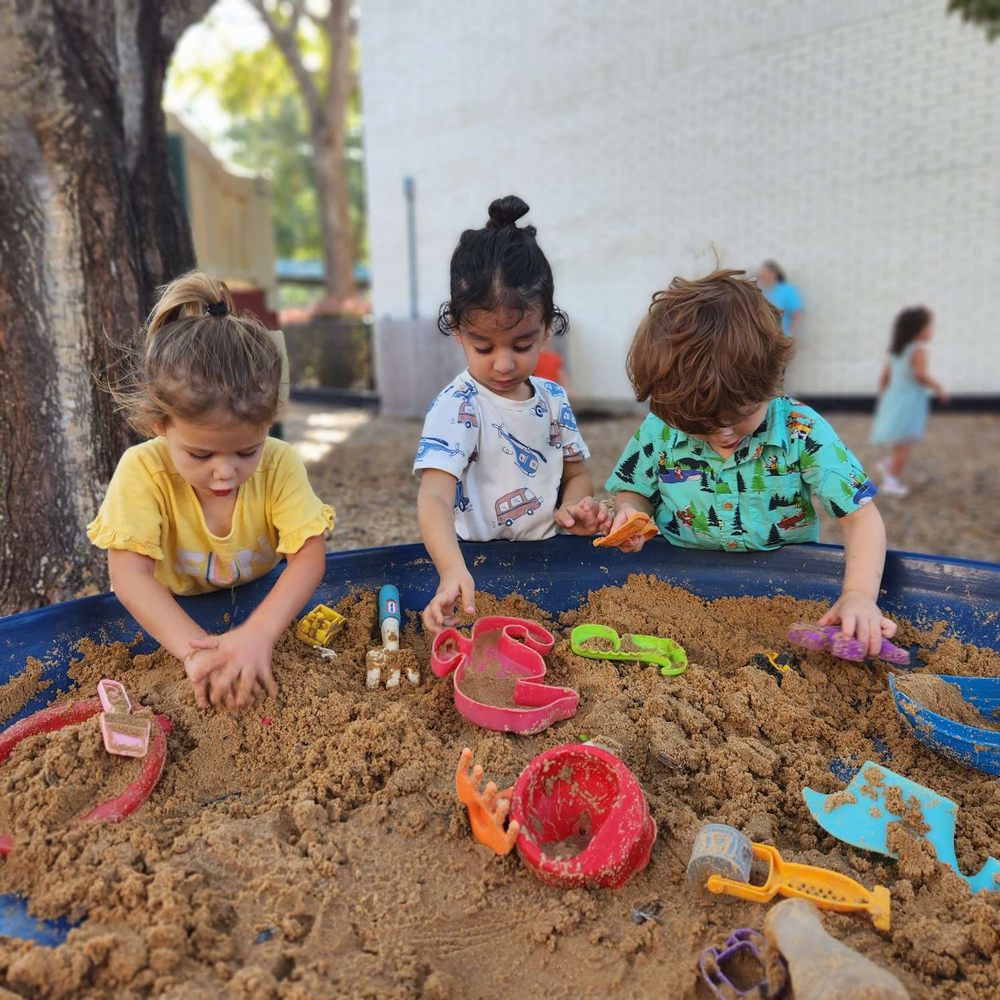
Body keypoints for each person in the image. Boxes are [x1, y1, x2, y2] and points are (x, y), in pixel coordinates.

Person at [603, 269, 895, 656]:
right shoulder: (660, 430)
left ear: (771, 383)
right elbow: (634, 491)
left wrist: (858, 595)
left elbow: (860, 518)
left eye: (738, 415)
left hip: (784, 586)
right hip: (679, 583)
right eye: (700, 426)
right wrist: (629, 513)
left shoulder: (800, 430)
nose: (723, 434)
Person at [88, 271, 334, 709]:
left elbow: (309, 555)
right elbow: (129, 576)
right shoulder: (143, 471)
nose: (225, 474)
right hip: (177, 610)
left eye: (246, 452)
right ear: (157, 424)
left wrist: (258, 635)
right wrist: (196, 650)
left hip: (260, 597)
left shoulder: (279, 462)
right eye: (201, 456)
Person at [415, 195, 611, 633]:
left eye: (522, 345)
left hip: (546, 561)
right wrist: (451, 570)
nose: (504, 363)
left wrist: (575, 507)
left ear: (546, 328)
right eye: (484, 347)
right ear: (457, 332)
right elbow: (433, 497)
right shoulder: (458, 406)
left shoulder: (554, 400)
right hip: (477, 567)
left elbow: (576, 474)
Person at [870, 306, 947, 497]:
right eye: (929, 326)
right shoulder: (918, 351)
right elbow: (919, 374)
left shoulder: (897, 350)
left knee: (899, 436)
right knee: (905, 441)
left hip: (894, 398)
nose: (931, 331)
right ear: (917, 329)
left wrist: (883, 397)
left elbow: (884, 377)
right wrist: (938, 387)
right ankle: (891, 480)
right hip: (909, 401)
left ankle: (889, 463)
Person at [756, 260, 803, 337]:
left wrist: (790, 334)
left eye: (764, 274)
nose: (761, 277)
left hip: (782, 336)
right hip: (764, 337)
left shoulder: (787, 290)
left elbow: (797, 313)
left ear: (773, 274)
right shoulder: (762, 292)